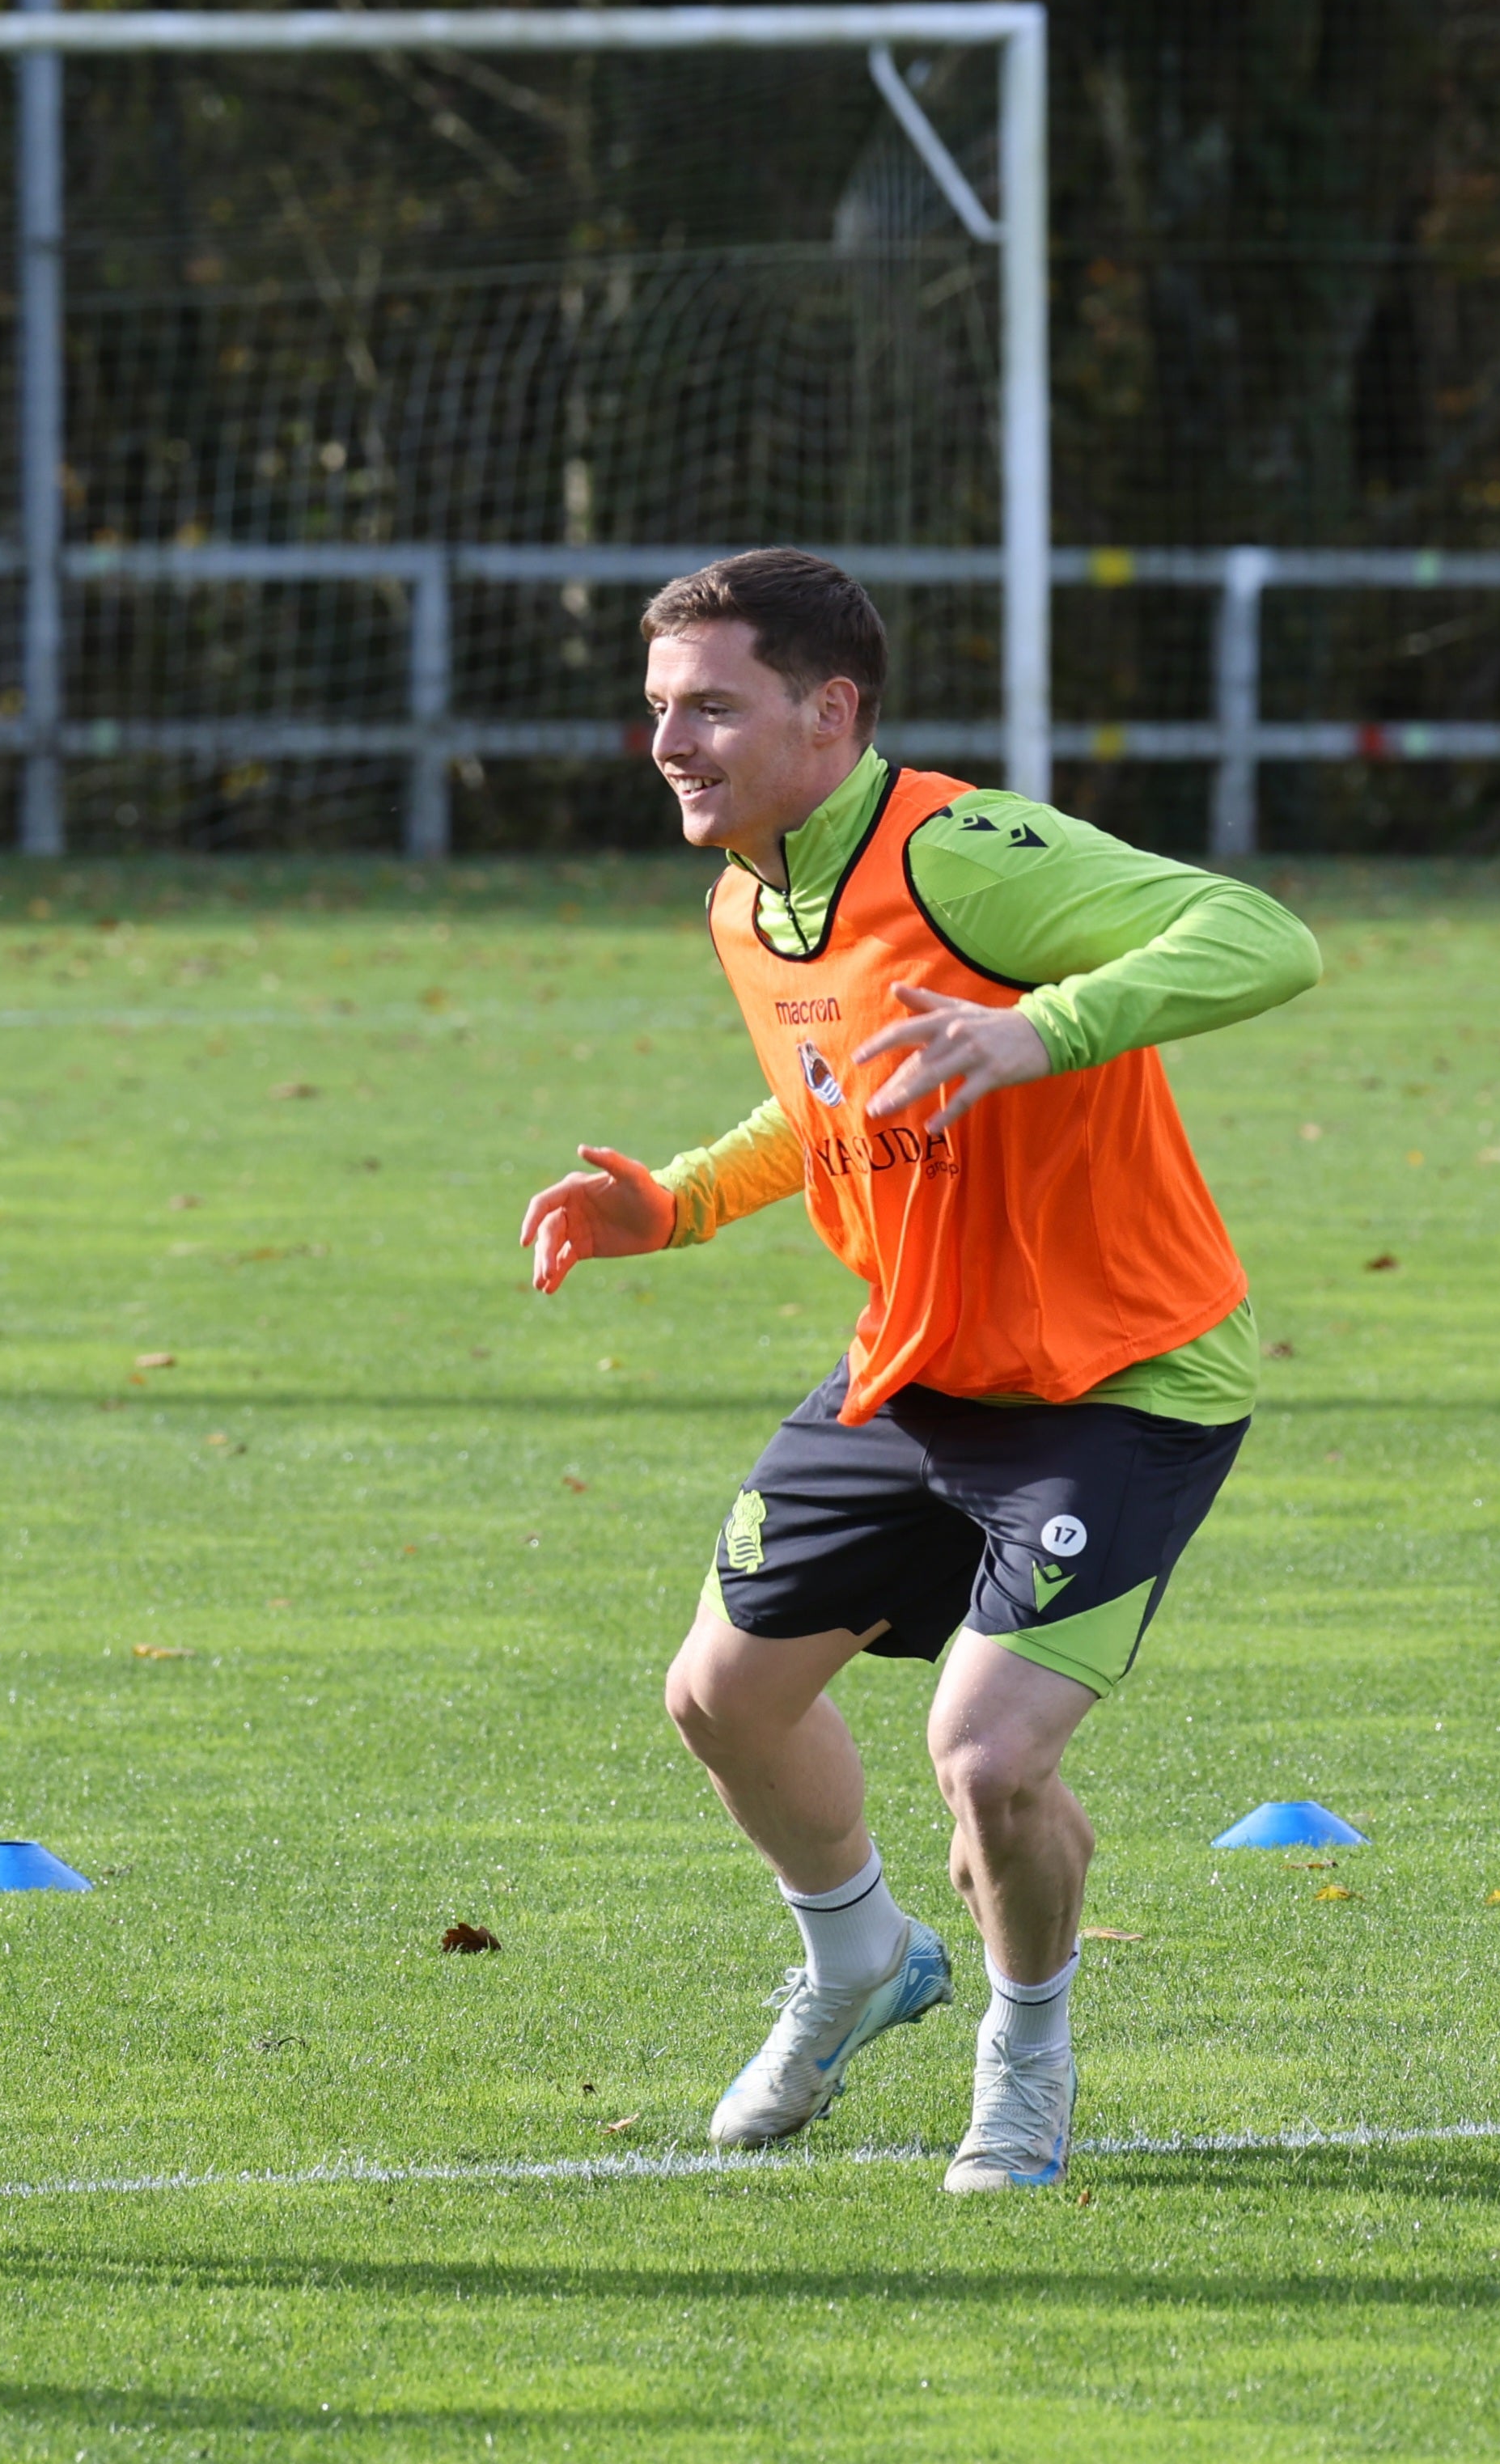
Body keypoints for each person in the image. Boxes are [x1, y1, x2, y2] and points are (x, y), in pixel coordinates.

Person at [516, 549, 1320, 2191]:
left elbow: (1258, 936)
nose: (672, 740)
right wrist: (670, 1203)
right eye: (660, 707)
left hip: (1119, 1381)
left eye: (713, 706)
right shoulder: (751, 892)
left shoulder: (960, 851)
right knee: (716, 1695)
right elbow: (826, 1102)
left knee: (989, 1759)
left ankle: (1024, 2052)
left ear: (829, 713)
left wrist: (1038, 1028)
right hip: (919, 1367)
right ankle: (859, 1961)